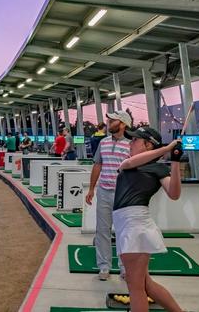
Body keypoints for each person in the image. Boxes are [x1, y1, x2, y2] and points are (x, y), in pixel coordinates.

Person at [113, 126, 184, 312]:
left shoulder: (158, 168)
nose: (130, 143)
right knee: (145, 284)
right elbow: (128, 164)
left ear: (148, 145)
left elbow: (174, 193)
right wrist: (166, 149)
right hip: (126, 224)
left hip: (134, 223)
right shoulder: (130, 162)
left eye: (135, 140)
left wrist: (175, 162)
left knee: (135, 286)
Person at [85, 110, 132, 281]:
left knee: (123, 232)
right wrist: (91, 189)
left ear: (122, 124)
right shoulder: (103, 142)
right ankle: (104, 266)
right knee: (102, 231)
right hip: (104, 192)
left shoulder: (131, 145)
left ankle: (124, 267)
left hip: (123, 194)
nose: (108, 123)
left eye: (112, 121)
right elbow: (97, 165)